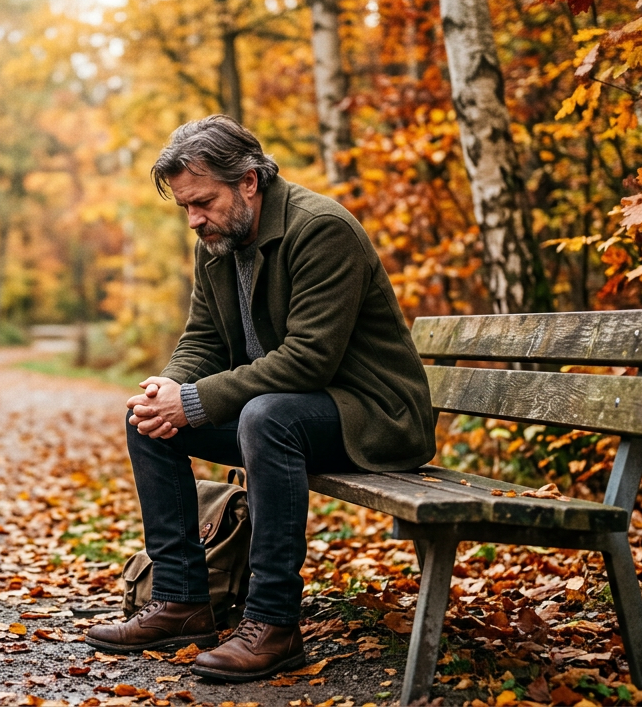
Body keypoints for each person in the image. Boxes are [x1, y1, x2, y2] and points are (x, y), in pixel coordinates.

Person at [83, 115, 436, 682]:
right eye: (185, 207)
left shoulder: (321, 230)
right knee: (144, 419)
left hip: (374, 415)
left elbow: (309, 359)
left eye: (203, 202)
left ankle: (273, 624)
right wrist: (166, 390)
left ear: (248, 181)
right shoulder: (217, 243)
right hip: (289, 413)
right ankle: (181, 602)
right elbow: (203, 339)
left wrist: (194, 401)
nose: (194, 219)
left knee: (266, 416)